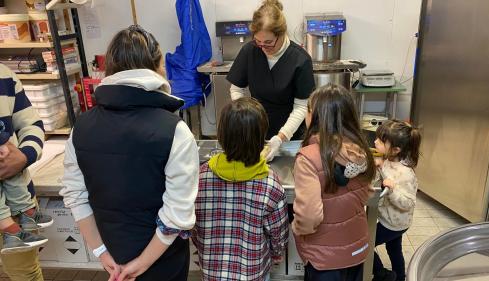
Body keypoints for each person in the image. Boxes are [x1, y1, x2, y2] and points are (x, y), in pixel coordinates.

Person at [60, 25, 199, 281]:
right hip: (162, 262)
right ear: (157, 66)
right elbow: (176, 216)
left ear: (110, 69)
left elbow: (75, 197)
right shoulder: (175, 132)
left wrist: (102, 253)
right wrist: (141, 265)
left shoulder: (80, 128)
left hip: (113, 259)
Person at [193, 97, 288, 281]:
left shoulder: (201, 177)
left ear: (221, 135)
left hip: (212, 272)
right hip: (254, 272)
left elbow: (194, 227)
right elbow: (278, 233)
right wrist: (276, 254)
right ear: (261, 138)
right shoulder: (270, 183)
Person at [292, 84, 376, 281]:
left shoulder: (308, 158)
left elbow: (309, 217)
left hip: (324, 258)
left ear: (315, 117)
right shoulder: (362, 151)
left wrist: (296, 228)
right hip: (356, 247)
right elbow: (366, 193)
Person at [226, 0, 315, 161]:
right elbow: (236, 89)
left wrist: (281, 137)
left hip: (290, 134)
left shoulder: (300, 60)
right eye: (258, 42)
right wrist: (247, 118)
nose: (263, 48)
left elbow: (302, 107)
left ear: (282, 34)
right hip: (256, 132)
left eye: (268, 43)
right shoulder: (250, 51)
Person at [0, 63, 47, 280]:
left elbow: (32, 123)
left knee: (26, 273)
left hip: (18, 201)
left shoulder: (5, 76)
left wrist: (24, 155)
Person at [372, 120, 421, 281]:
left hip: (394, 224)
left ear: (396, 149)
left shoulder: (406, 174)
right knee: (394, 249)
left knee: (364, 244)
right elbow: (386, 176)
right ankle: (399, 277)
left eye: (380, 141)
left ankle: (381, 274)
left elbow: (408, 203)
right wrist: (379, 167)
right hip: (390, 219)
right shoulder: (389, 159)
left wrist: (392, 190)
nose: (375, 142)